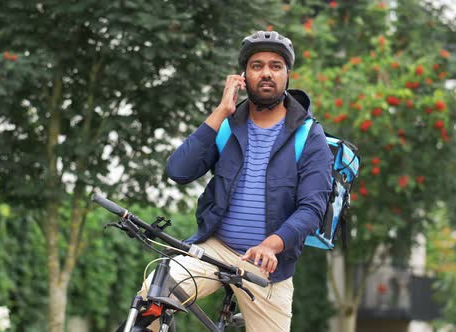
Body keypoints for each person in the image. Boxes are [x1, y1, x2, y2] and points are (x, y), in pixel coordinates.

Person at [143, 30, 333, 332]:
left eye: (275, 65)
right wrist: (221, 111)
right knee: (153, 295)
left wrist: (272, 245)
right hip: (215, 250)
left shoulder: (309, 136)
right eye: (257, 66)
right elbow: (178, 171)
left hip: (269, 265)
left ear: (287, 75)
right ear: (243, 75)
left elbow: (312, 208)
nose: (266, 73)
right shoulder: (226, 125)